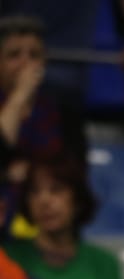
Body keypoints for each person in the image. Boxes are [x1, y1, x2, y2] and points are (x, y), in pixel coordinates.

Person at [4, 153, 124, 279]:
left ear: (77, 200)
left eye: (56, 190)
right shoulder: (10, 260)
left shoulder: (104, 263)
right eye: (34, 192)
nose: (44, 201)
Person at [0, 15, 86, 226]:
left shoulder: (63, 111)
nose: (25, 63)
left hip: (45, 224)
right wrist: (19, 96)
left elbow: (75, 175)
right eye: (14, 55)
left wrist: (25, 173)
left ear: (44, 61)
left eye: (34, 55)